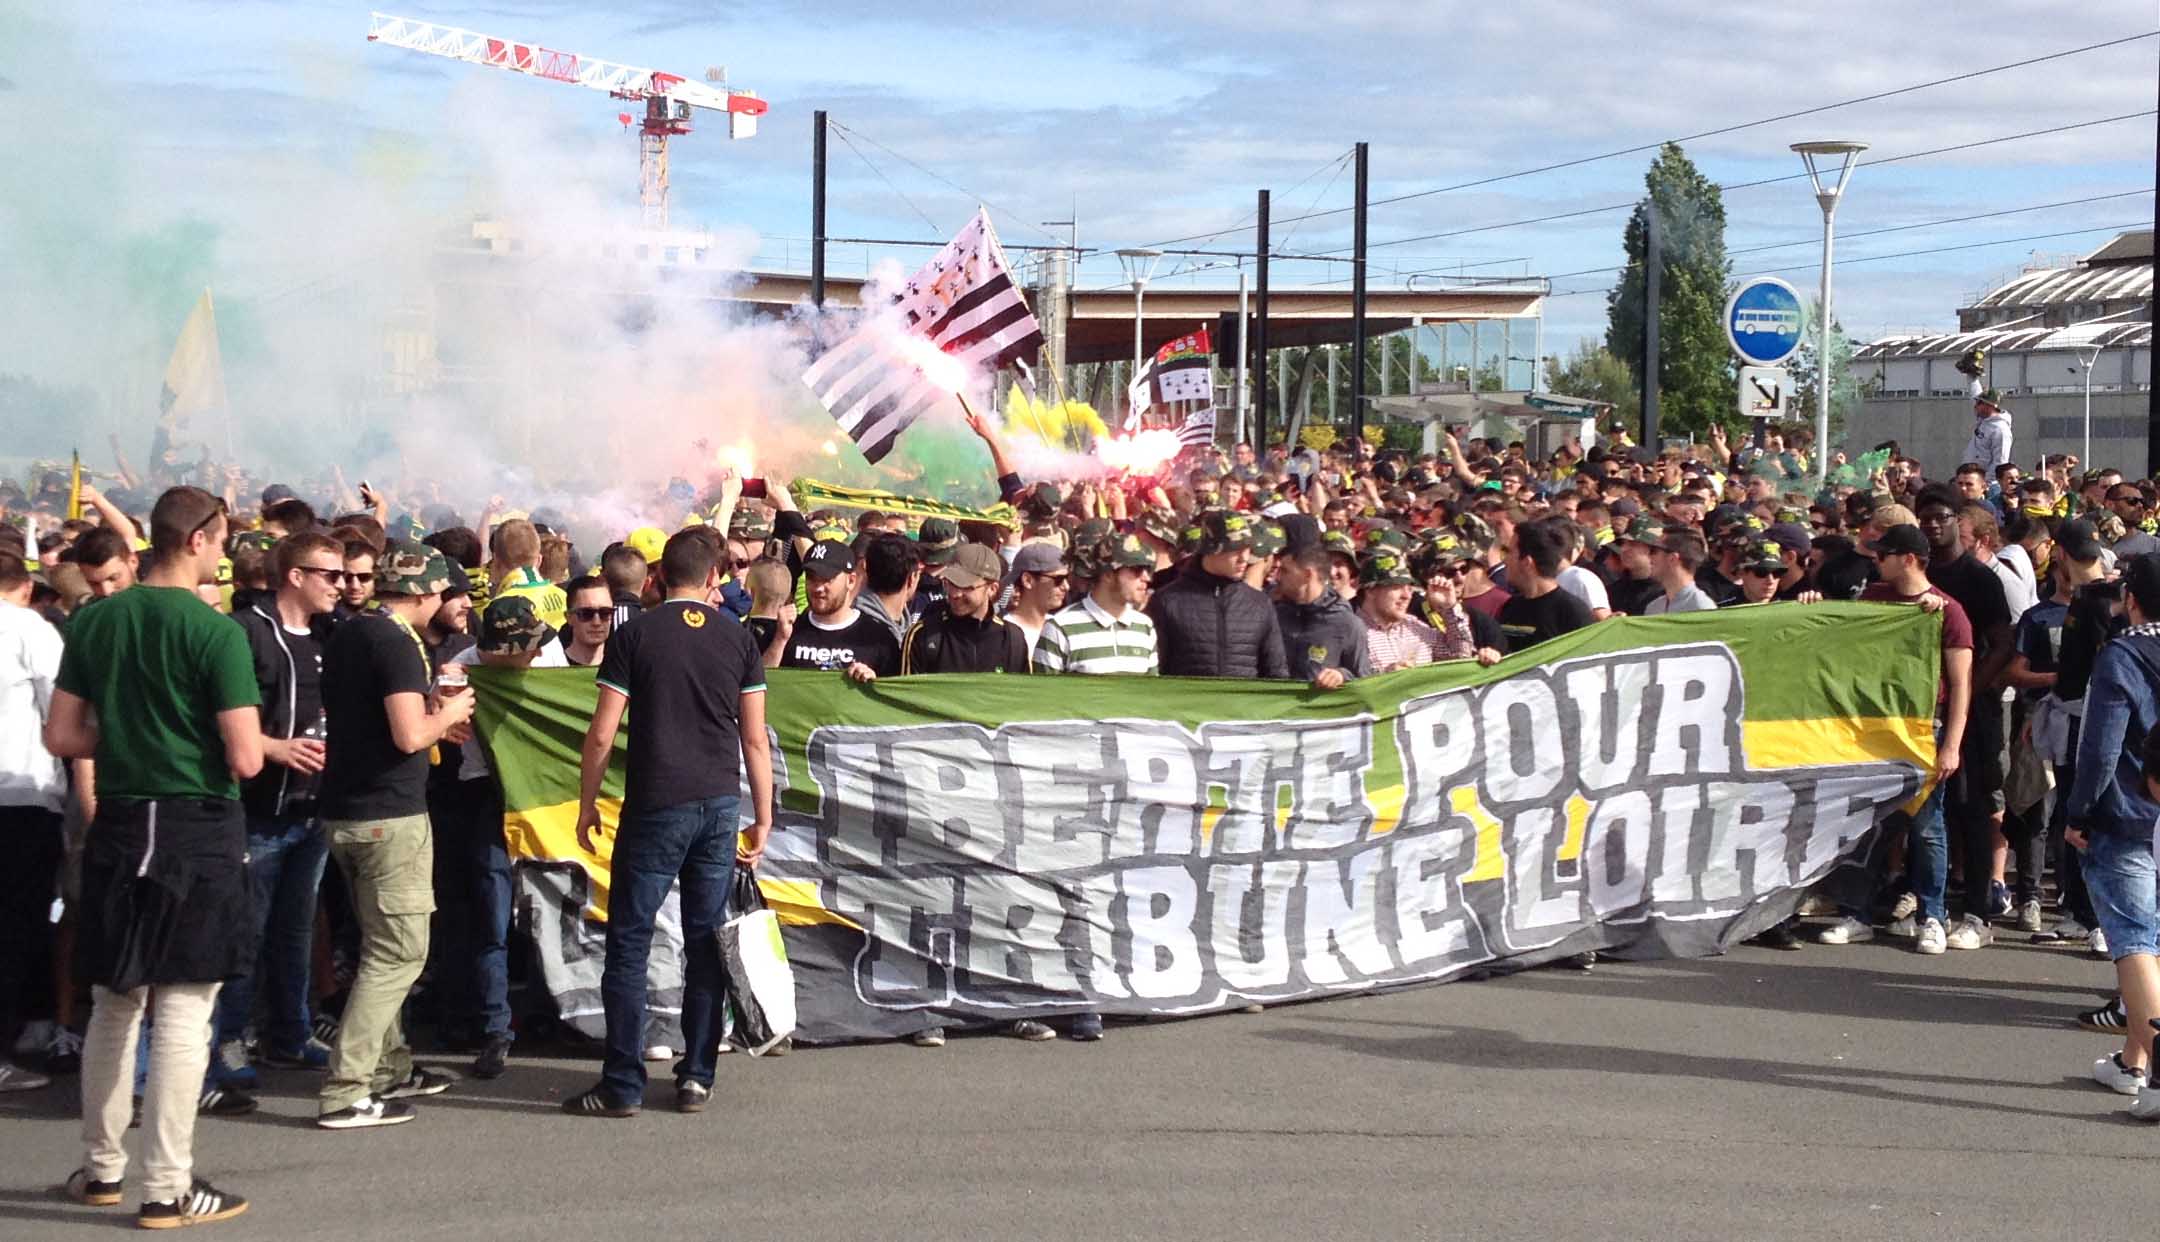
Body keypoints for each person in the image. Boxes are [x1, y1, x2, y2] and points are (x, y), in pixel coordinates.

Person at [43, 485, 262, 1228]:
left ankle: (102, 1168)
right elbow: (244, 756)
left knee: (116, 998)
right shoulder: (216, 632)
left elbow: (64, 738)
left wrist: (132, 740)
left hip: (123, 818)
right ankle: (166, 1186)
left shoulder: (97, 620)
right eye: (223, 534)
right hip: (194, 822)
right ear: (199, 538)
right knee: (183, 1007)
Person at [564, 528, 773, 1117]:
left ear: (657, 579)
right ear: (713, 579)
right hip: (717, 803)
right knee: (706, 939)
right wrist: (764, 814)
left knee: (629, 942)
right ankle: (697, 1075)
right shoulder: (738, 638)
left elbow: (602, 731)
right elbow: (753, 738)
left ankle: (623, 1083)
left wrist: (586, 803)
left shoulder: (635, 635)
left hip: (655, 803)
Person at [314, 540, 474, 1130]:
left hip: (348, 810)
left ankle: (391, 1067)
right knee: (398, 952)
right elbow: (409, 737)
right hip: (388, 815)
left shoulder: (354, 633)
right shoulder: (395, 643)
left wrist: (430, 713)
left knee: (378, 946)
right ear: (425, 591)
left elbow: (377, 719)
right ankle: (347, 1086)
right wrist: (448, 717)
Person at [212, 531, 344, 1100]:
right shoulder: (247, 633)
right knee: (246, 929)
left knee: (296, 927)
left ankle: (290, 1031)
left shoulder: (329, 635)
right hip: (259, 808)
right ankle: (230, 1038)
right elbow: (217, 719)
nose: (342, 587)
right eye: (331, 576)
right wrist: (275, 748)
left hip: (315, 807)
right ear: (296, 575)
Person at [1817, 524, 1971, 955]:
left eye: (1883, 555)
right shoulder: (1873, 600)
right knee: (1866, 825)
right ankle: (1857, 912)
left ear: (1907, 558)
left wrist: (1952, 745)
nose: (1876, 562)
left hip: (1923, 731)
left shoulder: (1947, 613)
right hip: (1872, 732)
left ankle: (1933, 916)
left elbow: (1961, 685)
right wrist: (1814, 604)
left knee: (1927, 829)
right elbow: (1836, 640)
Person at [1032, 531, 1159, 1041]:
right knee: (1076, 893)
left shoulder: (1146, 630)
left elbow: (1150, 708)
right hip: (1074, 784)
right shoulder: (1060, 630)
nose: (1147, 579)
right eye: (1137, 570)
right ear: (1110, 574)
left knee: (1122, 886)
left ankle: (1120, 987)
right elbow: (1040, 714)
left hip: (1128, 782)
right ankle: (1078, 997)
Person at [440, 596, 569, 1080]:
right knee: (492, 915)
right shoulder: (460, 670)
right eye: (522, 650)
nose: (532, 657)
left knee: (550, 905)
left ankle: (549, 1009)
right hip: (486, 795)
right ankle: (497, 1026)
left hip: (545, 796)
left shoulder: (550, 657)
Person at [2064, 553, 2160, 1109]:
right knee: (2154, 943)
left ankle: (2158, 1071)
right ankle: (2133, 1061)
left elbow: (2099, 748)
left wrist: (2079, 813)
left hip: (2127, 810)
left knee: (2133, 942)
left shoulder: (2122, 654)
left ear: (2131, 600)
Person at [0, 551, 64, 1094]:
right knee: (18, 923)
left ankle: (32, 1027)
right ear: (22, 588)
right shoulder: (29, 629)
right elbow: (62, 709)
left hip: (20, 794)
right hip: (20, 792)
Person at [1146, 512, 1289, 679]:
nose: (1244, 558)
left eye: (1248, 549)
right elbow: (1154, 674)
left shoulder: (1259, 604)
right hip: (1186, 703)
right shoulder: (1167, 601)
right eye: (1235, 549)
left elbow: (1276, 672)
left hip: (1244, 704)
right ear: (1211, 549)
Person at [771, 540, 902, 680]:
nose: (818, 588)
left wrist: (874, 682)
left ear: (851, 581)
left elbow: (892, 695)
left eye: (827, 579)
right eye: (811, 578)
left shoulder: (878, 639)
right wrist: (780, 641)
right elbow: (759, 685)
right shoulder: (785, 630)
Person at [901, 545, 1030, 676]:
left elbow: (1023, 694)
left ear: (992, 589)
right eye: (950, 583)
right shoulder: (923, 635)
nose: (955, 594)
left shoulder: (1013, 641)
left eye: (966, 587)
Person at [1273, 545, 1369, 688]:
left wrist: (1342, 676)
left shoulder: (1347, 624)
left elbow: (1365, 679)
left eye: (1285, 571)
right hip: (1274, 706)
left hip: (1319, 708)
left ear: (1307, 575)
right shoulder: (1275, 613)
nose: (1278, 577)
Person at [1498, 519, 1595, 648]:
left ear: (1527, 563)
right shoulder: (1510, 607)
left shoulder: (1572, 612)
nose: (1504, 560)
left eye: (1509, 553)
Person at [1356, 551, 1440, 672]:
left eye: (1409, 588)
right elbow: (1339, 683)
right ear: (1370, 590)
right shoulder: (1350, 632)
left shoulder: (1414, 626)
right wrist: (1385, 677)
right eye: (1397, 587)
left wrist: (1448, 608)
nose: (1407, 596)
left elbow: (1460, 655)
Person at [1002, 543, 1069, 658]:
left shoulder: (1062, 628)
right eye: (1058, 580)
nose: (1066, 587)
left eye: (1067, 578)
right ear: (1028, 580)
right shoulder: (1002, 634)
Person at [1644, 527, 1718, 614]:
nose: (1649, 557)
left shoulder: (1702, 608)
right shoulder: (1653, 607)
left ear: (1673, 558)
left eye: (1654, 551)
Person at [561, 574, 613, 666]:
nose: (597, 622)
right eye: (586, 614)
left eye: (605, 612)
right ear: (569, 617)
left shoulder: (626, 667)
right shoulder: (553, 665)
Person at [1963, 389, 2013, 472]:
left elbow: (2000, 462)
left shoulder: (2001, 430)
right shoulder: (1983, 419)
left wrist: (1987, 482)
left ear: (1990, 406)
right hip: (1972, 476)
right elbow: (1974, 391)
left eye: (1979, 403)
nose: (1975, 406)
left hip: (1984, 482)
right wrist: (1972, 377)